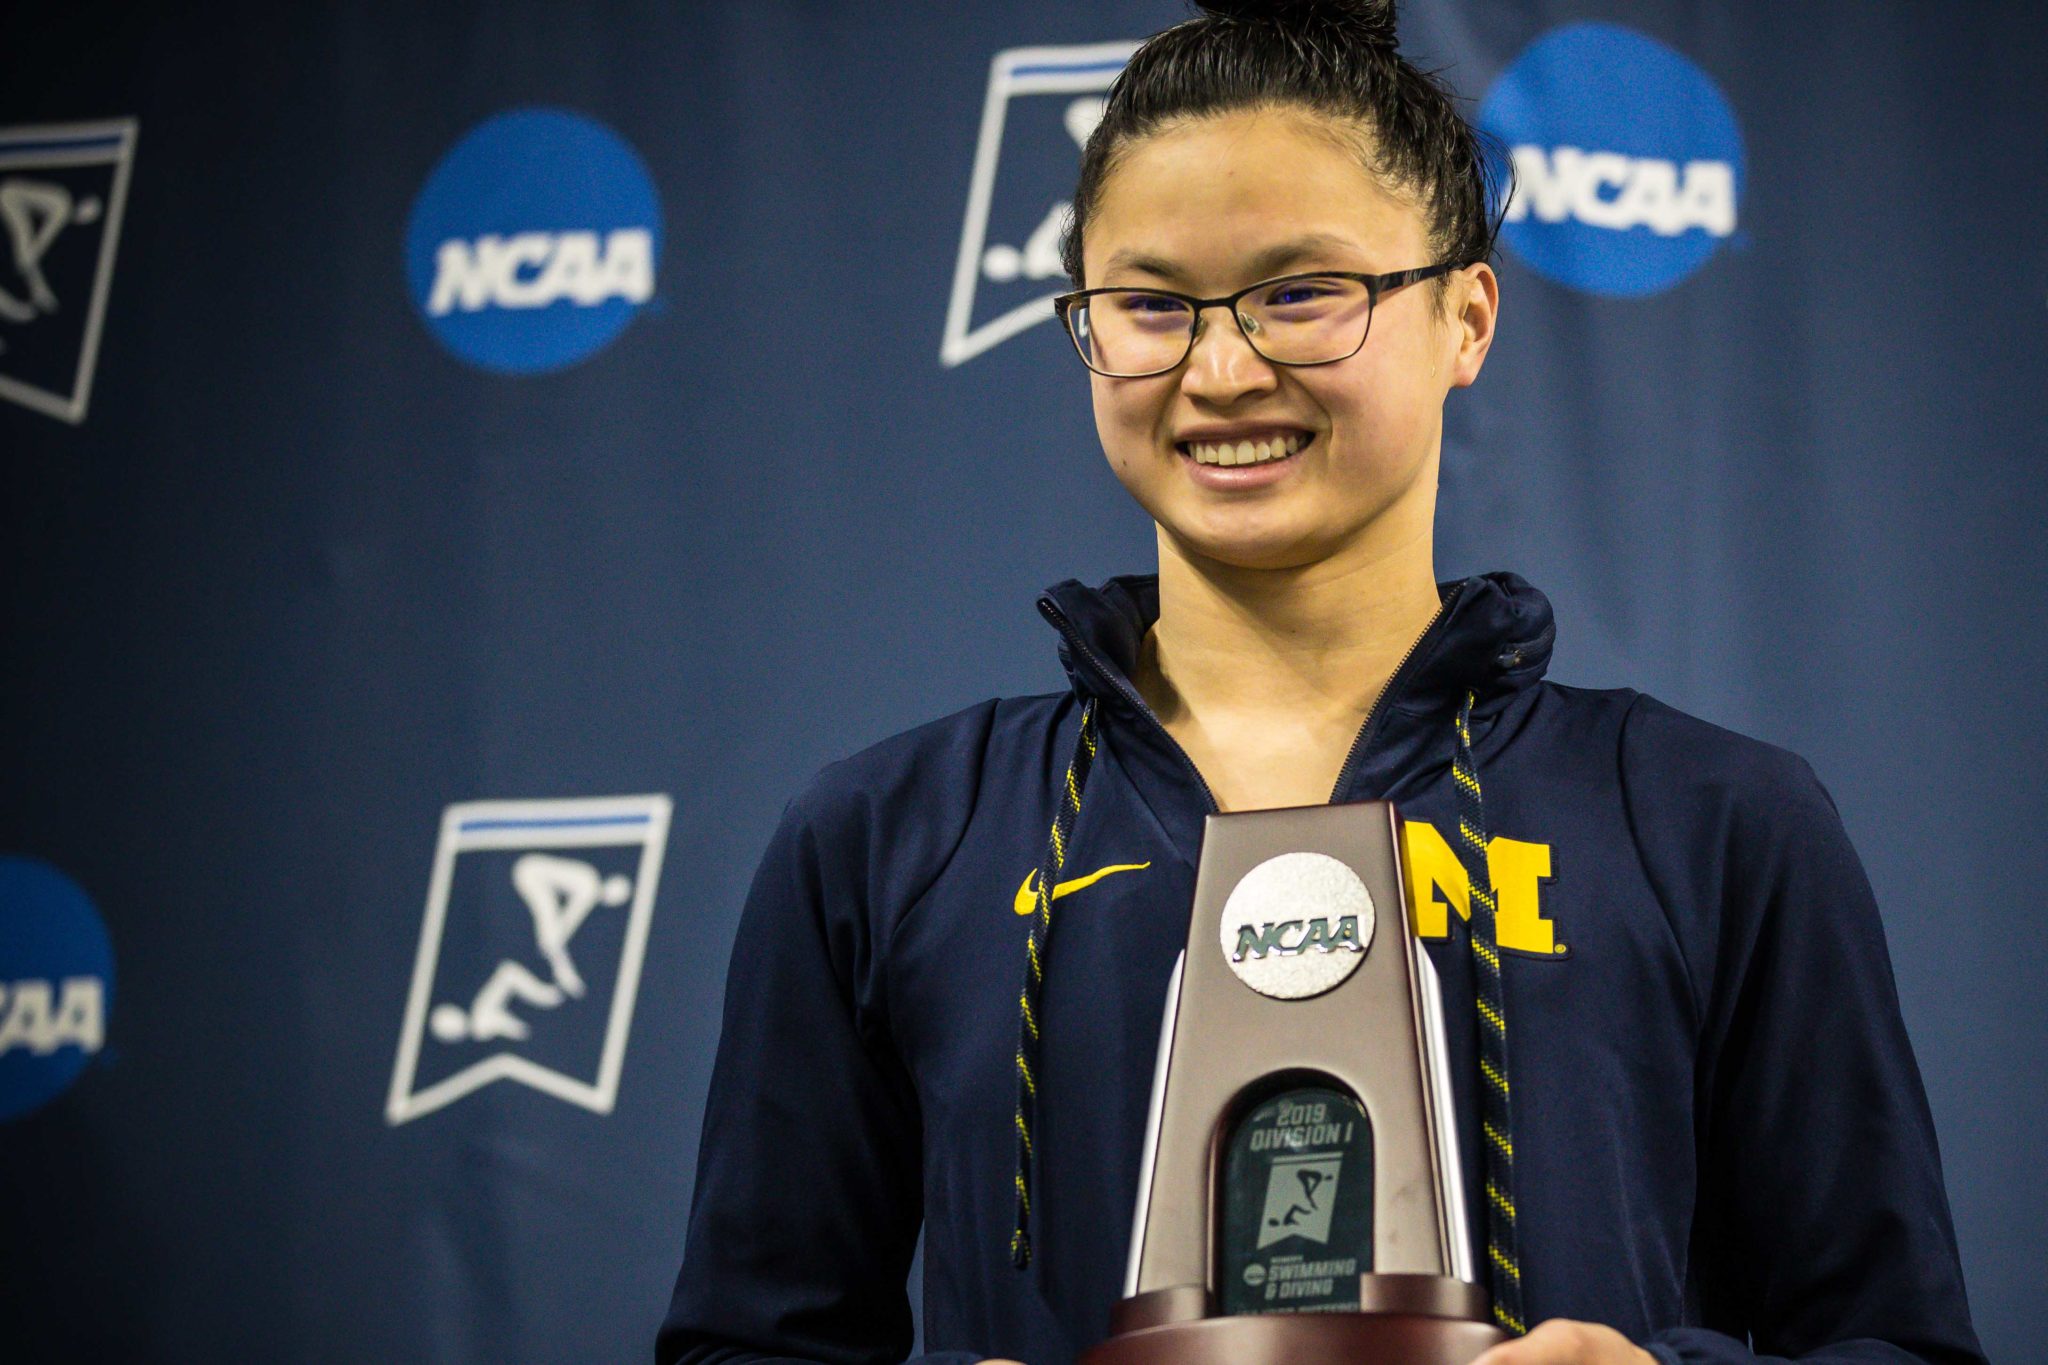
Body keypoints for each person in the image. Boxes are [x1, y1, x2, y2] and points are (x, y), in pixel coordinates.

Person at [657, 3, 1984, 1362]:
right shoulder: (891, 835)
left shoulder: (1715, 821)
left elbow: (1894, 1339)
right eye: (1152, 305)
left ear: (1468, 314)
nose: (1222, 369)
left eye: (1303, 292)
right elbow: (745, 1341)